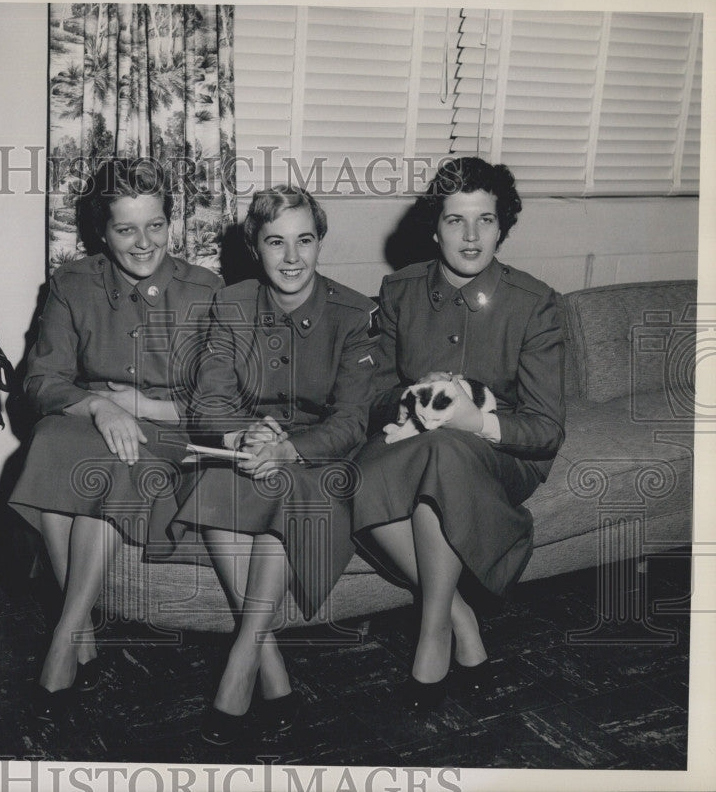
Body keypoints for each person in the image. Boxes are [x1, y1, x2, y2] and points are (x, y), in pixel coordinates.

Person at [9, 158, 223, 716]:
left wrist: (143, 406)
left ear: (171, 224)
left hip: (173, 431)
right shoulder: (72, 283)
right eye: (126, 229)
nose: (143, 242)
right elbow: (40, 380)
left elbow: (224, 403)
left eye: (155, 225)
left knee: (110, 459)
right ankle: (78, 628)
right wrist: (101, 406)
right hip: (91, 421)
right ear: (102, 231)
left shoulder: (207, 289)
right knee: (53, 443)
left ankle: (67, 632)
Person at [352, 157, 565, 710]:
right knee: (350, 475)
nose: (471, 237)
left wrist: (474, 421)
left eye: (486, 221)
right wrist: (408, 396)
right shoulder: (398, 290)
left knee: (443, 452)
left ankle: (432, 636)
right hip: (417, 437)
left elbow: (544, 430)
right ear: (433, 226)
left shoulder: (535, 303)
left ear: (504, 225)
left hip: (502, 452)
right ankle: (458, 616)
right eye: (455, 221)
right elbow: (371, 395)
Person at [171, 186, 380, 744]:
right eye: (276, 242)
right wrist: (244, 434)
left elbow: (352, 420)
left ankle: (241, 663)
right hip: (246, 445)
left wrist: (287, 448)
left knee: (287, 488)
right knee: (215, 478)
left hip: (317, 455)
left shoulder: (354, 313)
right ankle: (271, 668)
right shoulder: (231, 304)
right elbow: (210, 400)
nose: (292, 258)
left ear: (319, 243)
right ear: (255, 247)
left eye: (305, 240)